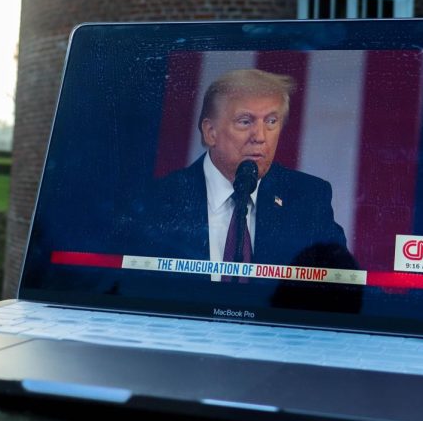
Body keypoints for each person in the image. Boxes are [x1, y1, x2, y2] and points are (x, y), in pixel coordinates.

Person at [126, 69, 349, 270]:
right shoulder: (156, 200)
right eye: (245, 121)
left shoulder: (308, 199)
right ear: (210, 132)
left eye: (271, 121)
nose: (260, 137)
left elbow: (342, 291)